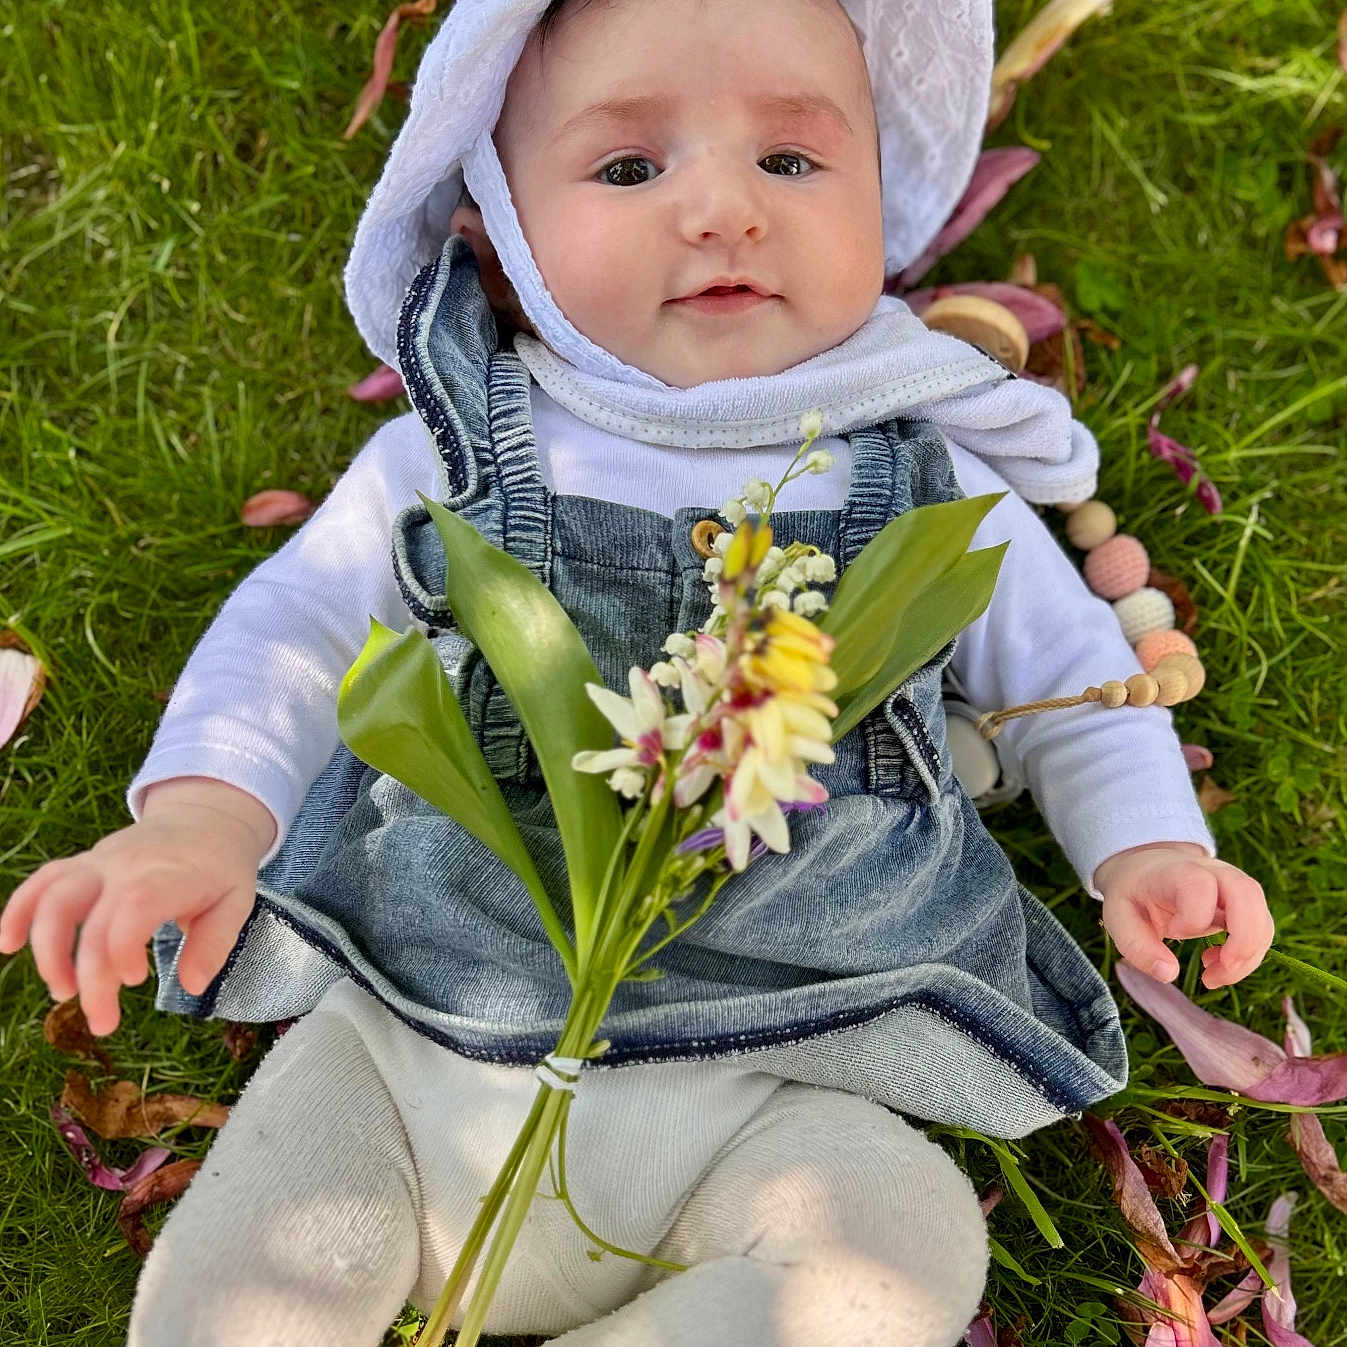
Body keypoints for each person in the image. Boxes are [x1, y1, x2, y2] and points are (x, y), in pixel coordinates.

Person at [1, 1, 1274, 1343]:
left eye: (791, 162)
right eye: (628, 168)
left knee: (896, 1245)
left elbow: (1078, 678)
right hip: (409, 1044)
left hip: (781, 1082)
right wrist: (200, 817)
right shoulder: (463, 455)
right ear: (498, 235)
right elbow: (299, 629)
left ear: (878, 199)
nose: (722, 207)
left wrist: (1145, 849)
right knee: (265, 1269)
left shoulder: (926, 482)